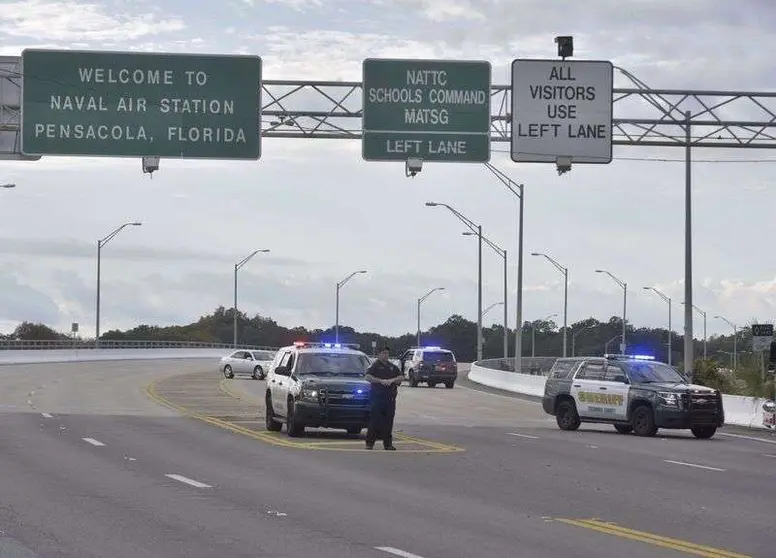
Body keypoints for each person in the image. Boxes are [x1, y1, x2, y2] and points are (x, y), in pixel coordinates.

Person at [364, 346, 403, 450]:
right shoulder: (375, 365)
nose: (386, 355)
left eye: (387, 353)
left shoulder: (392, 367)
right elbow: (367, 377)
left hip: (390, 398)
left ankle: (388, 444)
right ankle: (369, 443)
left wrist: (392, 380)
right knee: (375, 421)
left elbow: (400, 377)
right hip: (377, 398)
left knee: (388, 421)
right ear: (379, 354)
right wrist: (380, 380)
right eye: (383, 353)